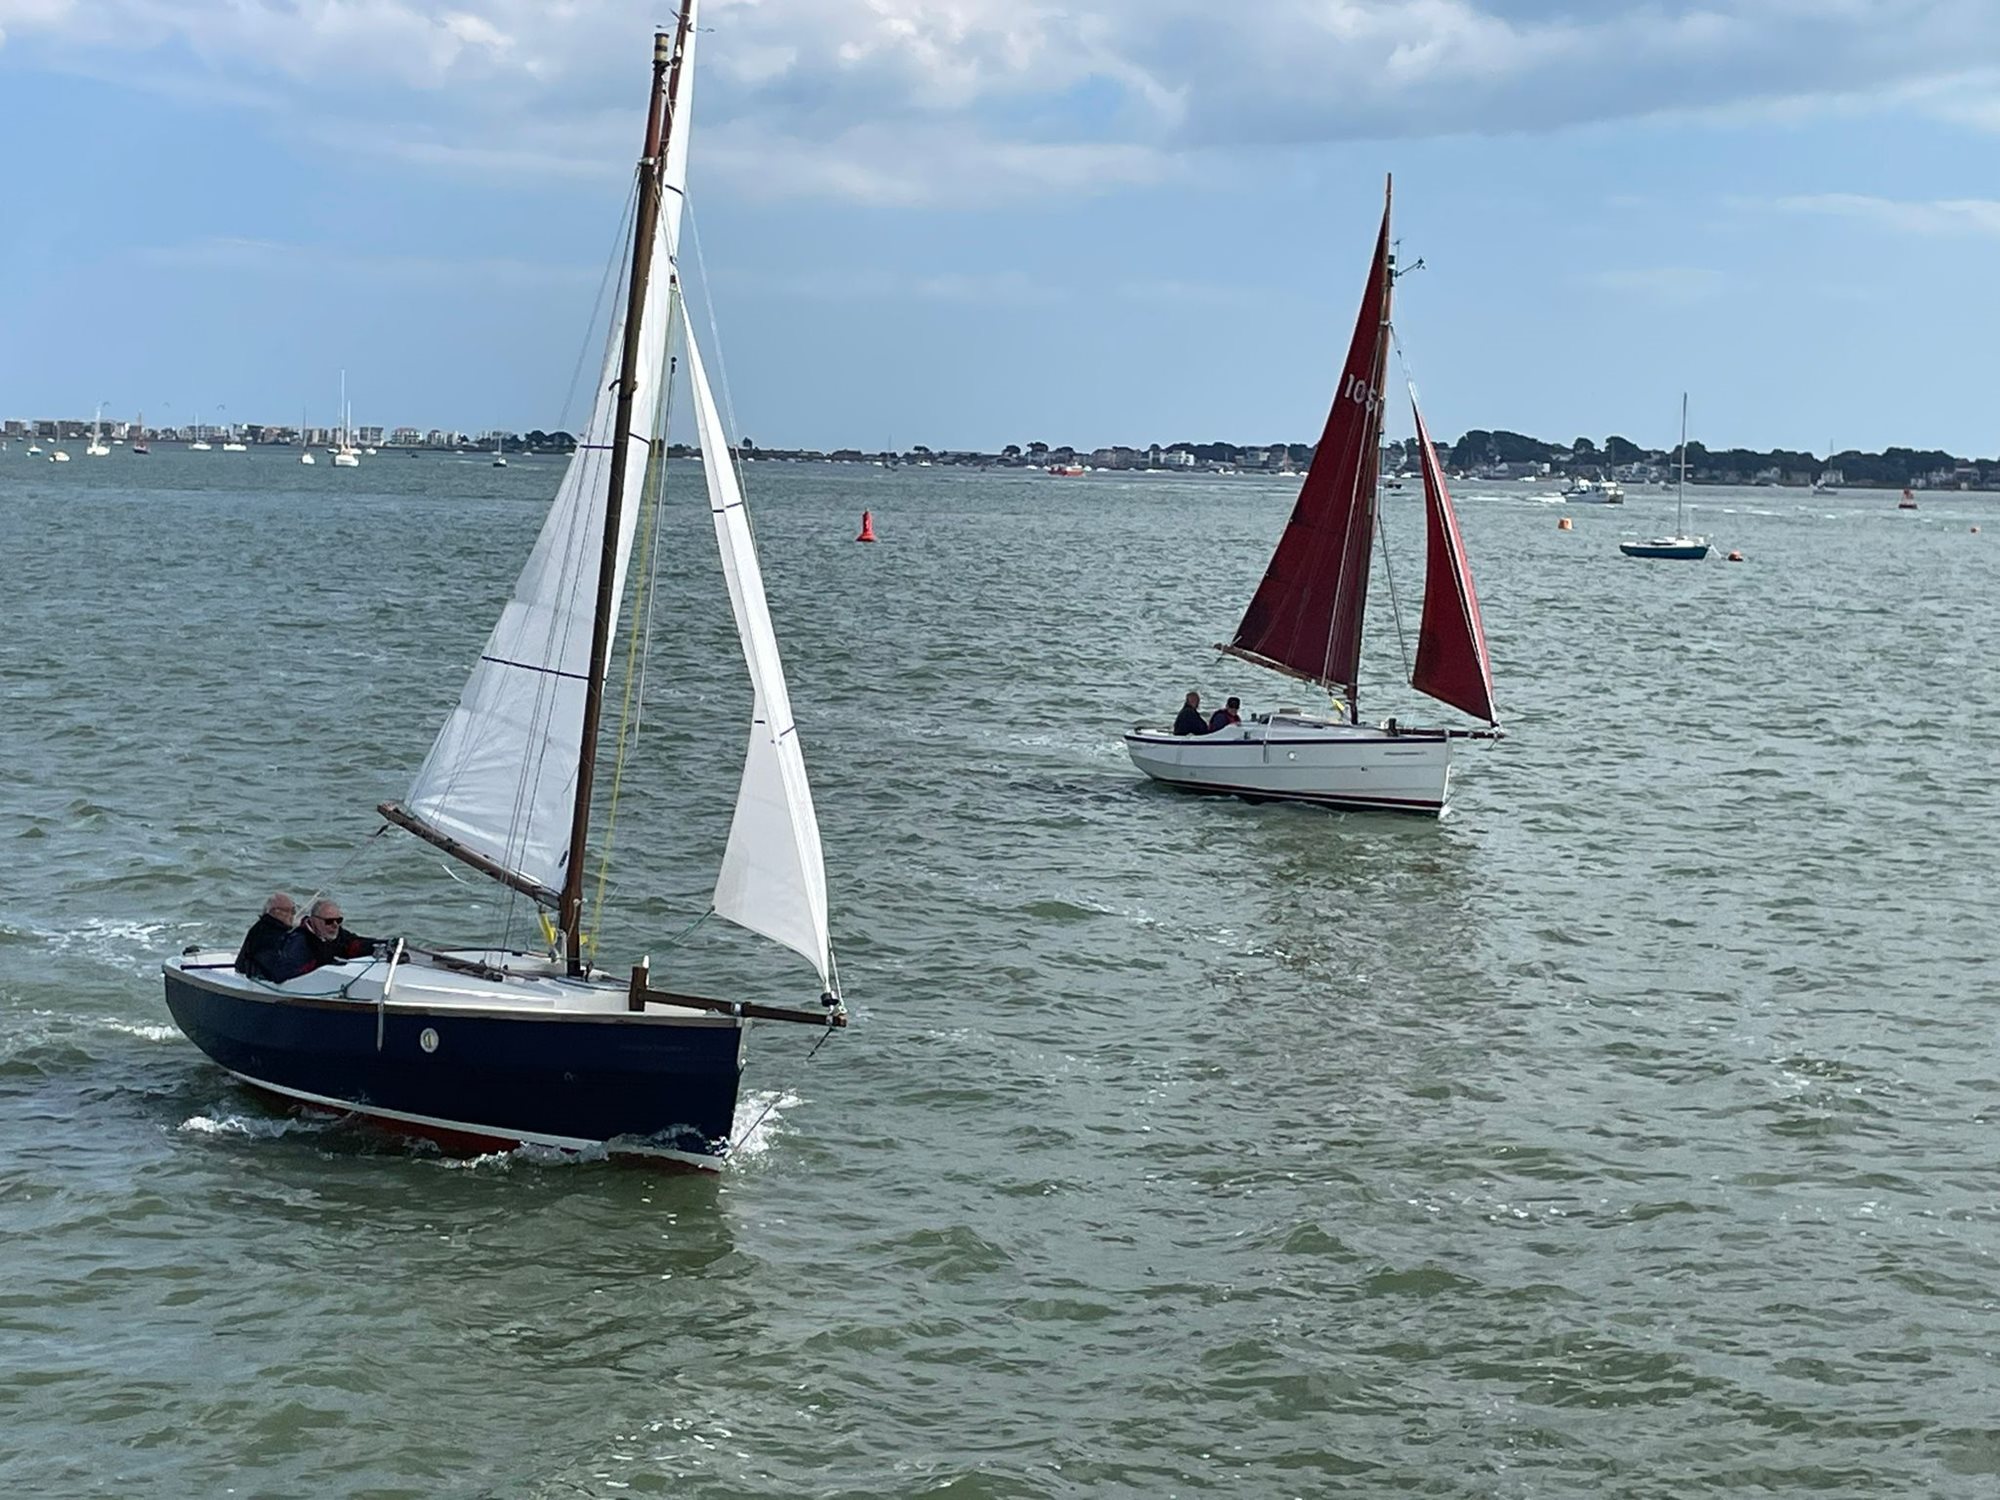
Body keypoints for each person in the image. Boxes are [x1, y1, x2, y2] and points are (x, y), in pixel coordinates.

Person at [264, 898, 387, 982]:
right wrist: (324, 965)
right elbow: (282, 974)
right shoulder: (299, 942)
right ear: (313, 920)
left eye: (338, 920)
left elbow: (356, 945)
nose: (335, 925)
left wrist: (388, 944)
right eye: (329, 921)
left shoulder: (338, 934)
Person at [233, 892, 298, 980]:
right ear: (274, 912)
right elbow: (273, 967)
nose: (292, 915)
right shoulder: (266, 934)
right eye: (287, 911)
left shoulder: (276, 930)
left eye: (293, 911)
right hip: (254, 980)